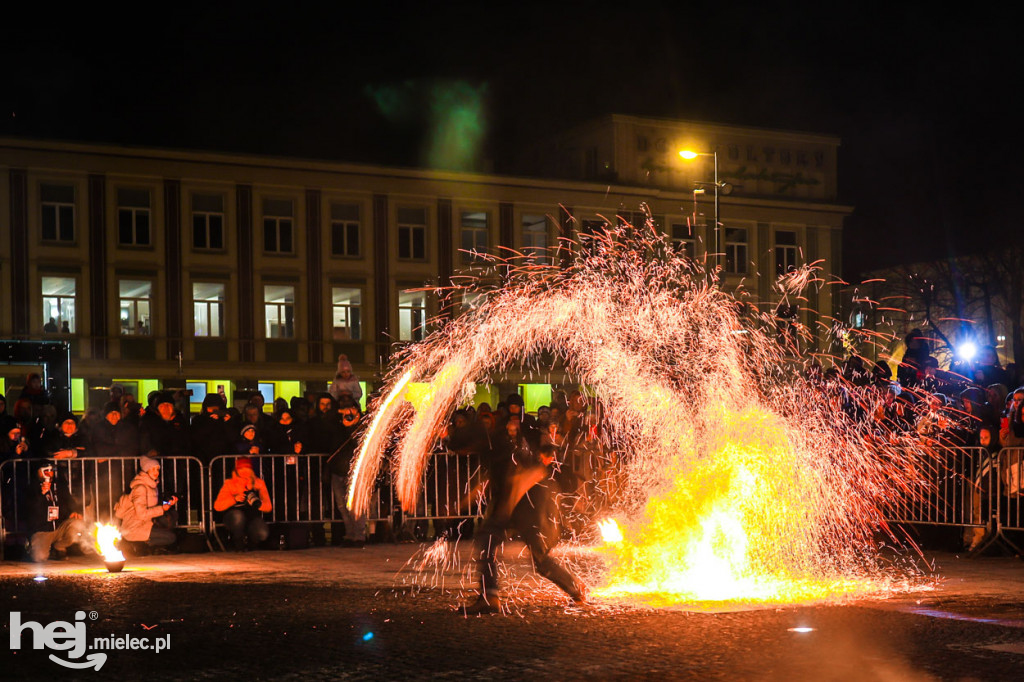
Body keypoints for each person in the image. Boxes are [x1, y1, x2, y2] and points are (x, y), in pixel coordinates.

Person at [466, 434, 587, 614]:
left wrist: (504, 511)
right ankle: (489, 596)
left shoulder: (504, 450)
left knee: (539, 556)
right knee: (488, 539)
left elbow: (524, 477)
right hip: (526, 502)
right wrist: (466, 501)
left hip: (534, 500)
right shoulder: (494, 452)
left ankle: (577, 589)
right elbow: (489, 481)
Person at [23, 462, 91, 562]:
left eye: (51, 471)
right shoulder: (32, 489)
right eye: (46, 471)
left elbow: (69, 500)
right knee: (39, 557)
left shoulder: (58, 486)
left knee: (78, 524)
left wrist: (75, 511)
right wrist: (41, 495)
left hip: (59, 526)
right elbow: (30, 510)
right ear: (39, 473)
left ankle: (59, 547)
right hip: (42, 530)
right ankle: (33, 547)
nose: (49, 474)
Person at [118, 455, 178, 549]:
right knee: (171, 538)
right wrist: (162, 509)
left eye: (157, 469)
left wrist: (169, 504)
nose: (156, 472)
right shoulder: (141, 488)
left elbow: (153, 506)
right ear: (146, 470)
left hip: (146, 522)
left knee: (173, 515)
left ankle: (145, 544)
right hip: (134, 527)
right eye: (153, 469)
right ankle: (141, 545)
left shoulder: (152, 485)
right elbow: (141, 514)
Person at [213, 457, 272, 551]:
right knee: (238, 517)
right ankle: (238, 543)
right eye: (242, 470)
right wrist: (234, 499)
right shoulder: (230, 484)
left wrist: (258, 504)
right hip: (233, 517)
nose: (245, 473)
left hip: (251, 516)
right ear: (236, 471)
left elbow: (268, 507)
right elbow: (217, 506)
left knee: (262, 533)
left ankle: (252, 544)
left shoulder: (258, 483)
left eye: (247, 470)